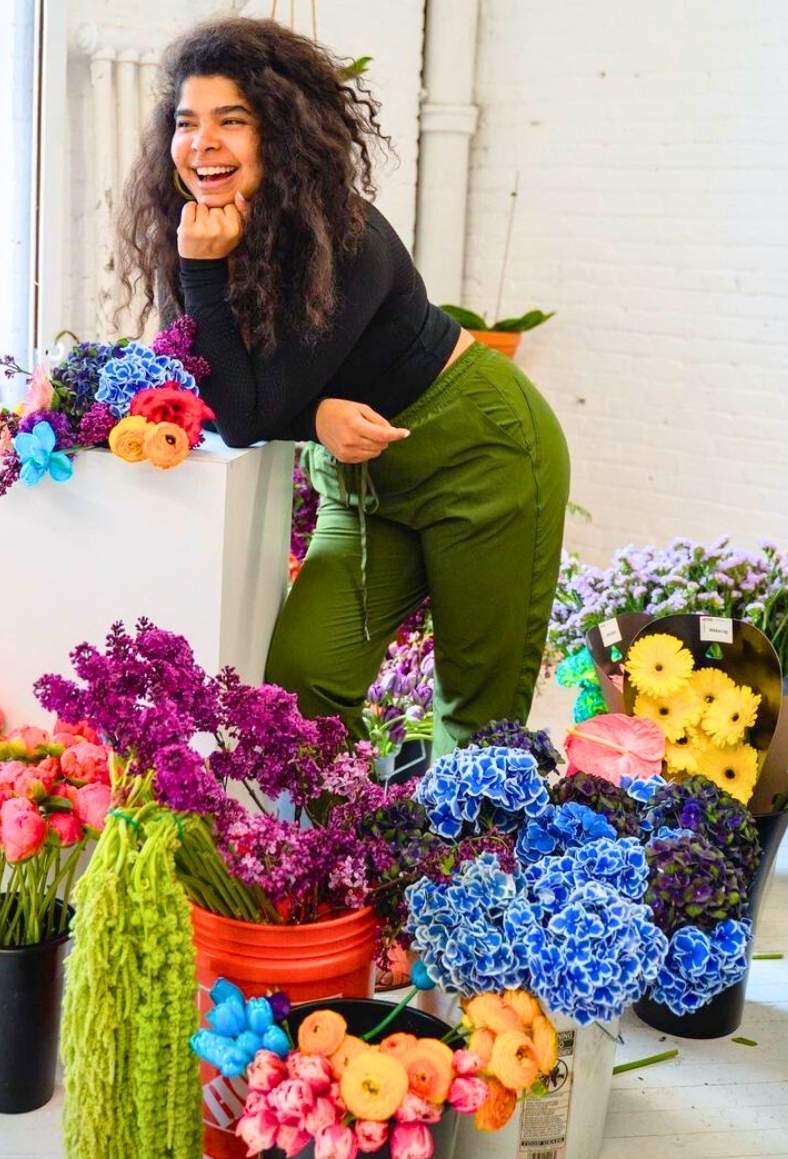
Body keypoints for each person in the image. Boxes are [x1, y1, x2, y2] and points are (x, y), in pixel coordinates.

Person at [118, 17, 570, 756]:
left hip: (478, 449)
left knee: (475, 713)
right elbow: (212, 395)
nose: (202, 142)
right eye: (186, 122)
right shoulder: (197, 234)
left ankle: (452, 868)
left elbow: (249, 410)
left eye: (231, 121)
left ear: (282, 133)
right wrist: (314, 412)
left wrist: (299, 406)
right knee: (302, 685)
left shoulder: (349, 235)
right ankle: (345, 863)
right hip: (361, 474)